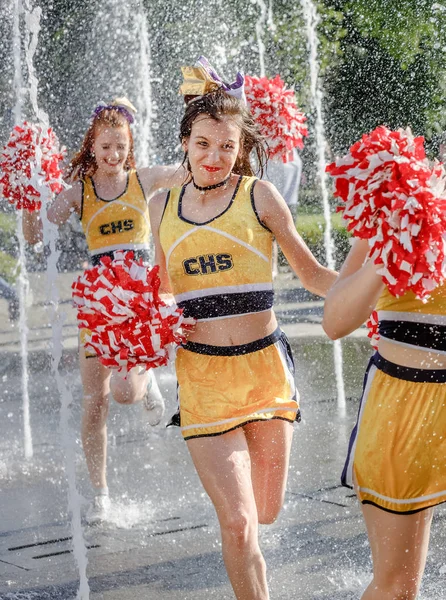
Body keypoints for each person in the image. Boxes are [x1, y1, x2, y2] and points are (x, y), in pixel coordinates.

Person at [149, 60, 337, 600]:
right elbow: (158, 294)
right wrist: (129, 339)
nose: (213, 158)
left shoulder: (259, 197)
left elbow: (316, 275)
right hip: (203, 380)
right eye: (202, 144)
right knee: (238, 522)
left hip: (265, 373)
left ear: (241, 148)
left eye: (226, 147)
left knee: (267, 510)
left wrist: (379, 285)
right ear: (185, 141)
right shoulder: (161, 206)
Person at [23, 98, 186, 524]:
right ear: (92, 147)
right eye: (106, 147)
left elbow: (190, 169)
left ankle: (146, 382)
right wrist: (24, 190)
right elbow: (35, 233)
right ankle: (101, 492)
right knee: (95, 401)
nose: (113, 156)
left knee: (124, 393)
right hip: (98, 306)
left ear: (129, 146)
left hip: (136, 304)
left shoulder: (142, 180)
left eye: (120, 147)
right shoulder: (80, 193)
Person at [323, 239, 446, 599]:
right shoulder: (391, 211)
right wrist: (387, 251)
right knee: (397, 588)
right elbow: (334, 322)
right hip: (405, 403)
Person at [263, 148, 302, 277]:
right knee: (268, 228)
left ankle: (296, 267)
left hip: (288, 192)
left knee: (290, 228)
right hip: (268, 186)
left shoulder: (290, 141)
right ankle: (272, 267)